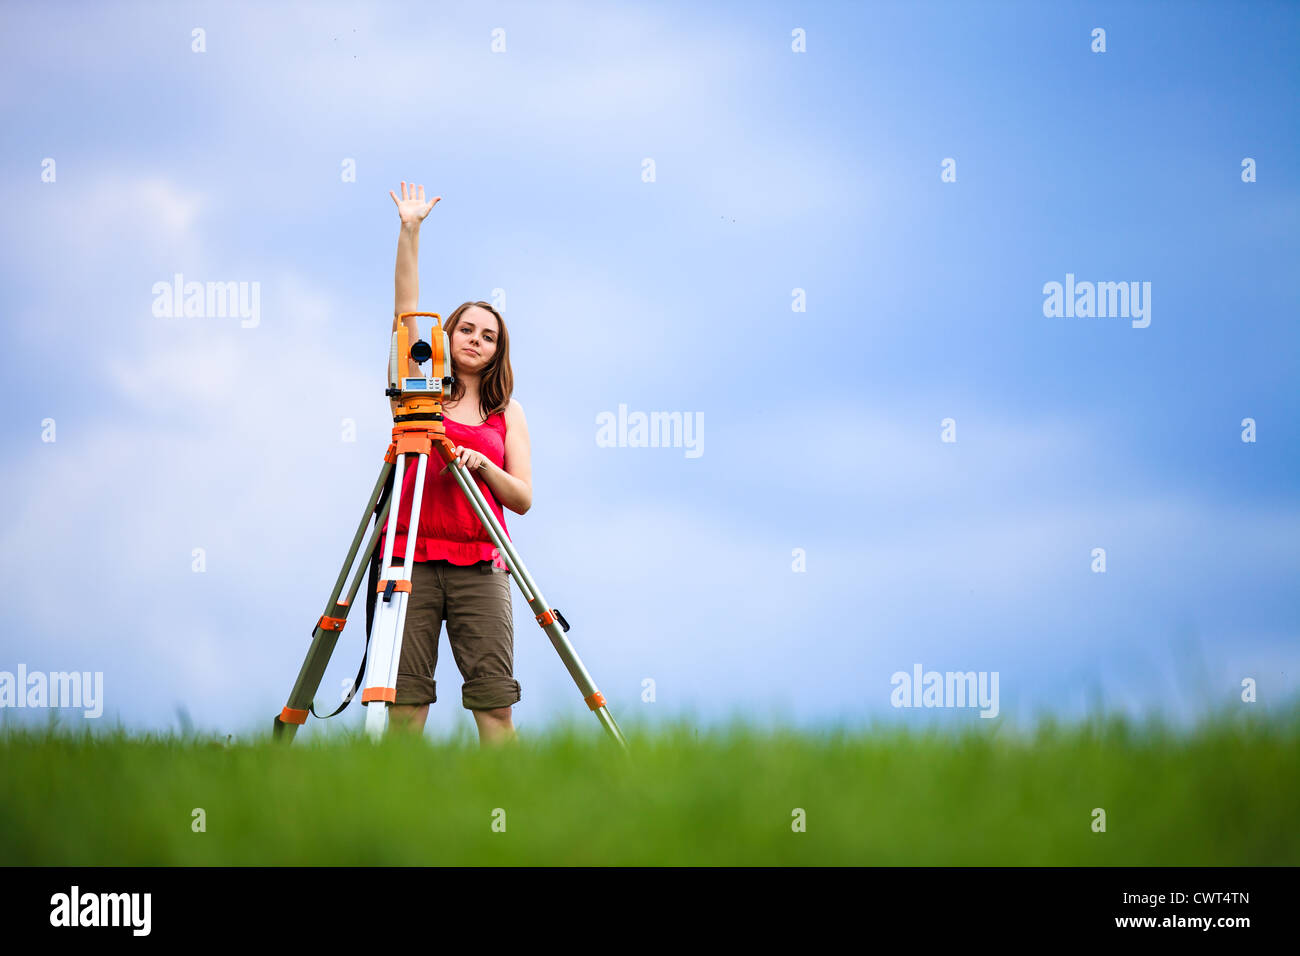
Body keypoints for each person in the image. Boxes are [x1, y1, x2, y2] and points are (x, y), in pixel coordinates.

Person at [369, 180, 533, 747]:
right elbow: (406, 311)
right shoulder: (417, 392)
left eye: (488, 336)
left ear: (497, 351)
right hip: (409, 557)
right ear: (447, 335)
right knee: (406, 707)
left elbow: (523, 498)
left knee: (494, 706)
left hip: (480, 564)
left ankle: (505, 815)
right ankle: (398, 814)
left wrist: (480, 466)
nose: (475, 340)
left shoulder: (506, 413)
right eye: (466, 329)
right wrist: (409, 231)